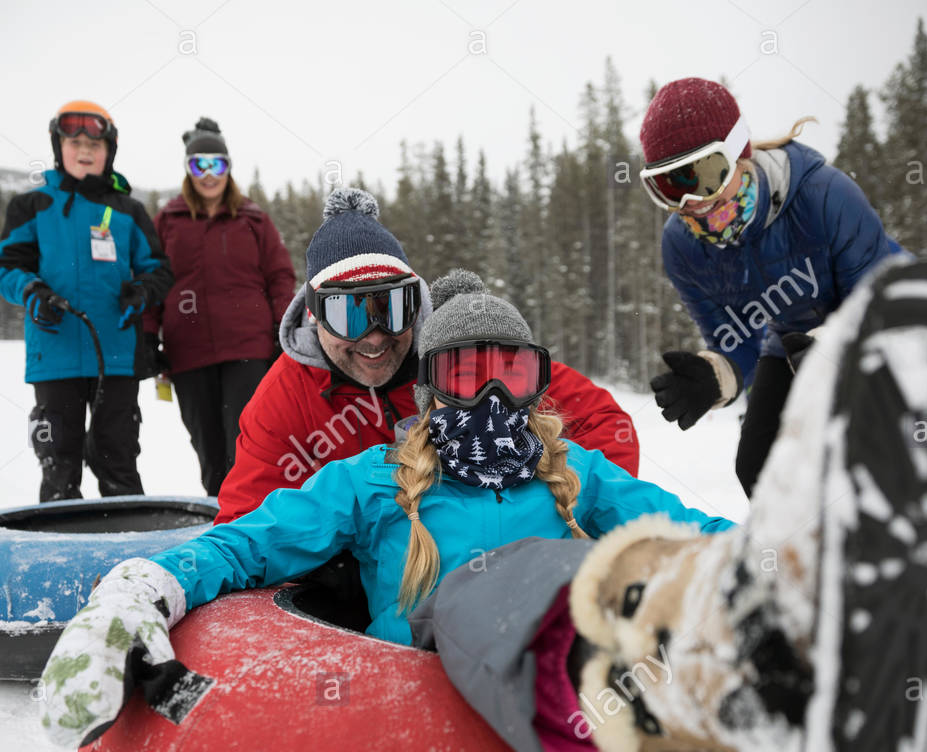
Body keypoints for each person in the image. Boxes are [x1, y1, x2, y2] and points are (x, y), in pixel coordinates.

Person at [38, 259, 927, 752]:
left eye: (510, 371)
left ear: (535, 380)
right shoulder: (379, 482)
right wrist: (143, 585)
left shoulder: (574, 472)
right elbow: (252, 537)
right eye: (465, 373)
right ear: (432, 388)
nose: (491, 396)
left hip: (641, 624)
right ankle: (610, 666)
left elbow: (679, 522)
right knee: (511, 579)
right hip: (473, 639)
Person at [212, 187, 639, 524]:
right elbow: (245, 522)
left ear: (417, 305)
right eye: (349, 316)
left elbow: (605, 425)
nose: (376, 339)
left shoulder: (463, 356)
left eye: (393, 309)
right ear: (313, 315)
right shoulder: (284, 401)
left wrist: (544, 514)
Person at [637, 78, 903, 499]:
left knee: (866, 456)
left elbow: (875, 299)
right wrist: (716, 375)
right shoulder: (682, 246)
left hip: (892, 319)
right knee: (759, 465)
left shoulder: (824, 196)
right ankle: (793, 559)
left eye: (705, 175)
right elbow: (735, 338)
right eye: (670, 186)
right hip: (792, 342)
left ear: (738, 150)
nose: (692, 201)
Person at [0, 100, 172, 501]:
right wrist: (32, 292)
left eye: (95, 143)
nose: (85, 150)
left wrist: (141, 292)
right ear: (59, 148)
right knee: (58, 465)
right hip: (54, 356)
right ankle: (59, 555)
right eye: (74, 142)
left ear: (109, 151)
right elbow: (5, 268)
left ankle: (130, 553)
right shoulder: (32, 206)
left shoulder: (128, 210)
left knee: (119, 460)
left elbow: (160, 271)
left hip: (117, 359)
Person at [144, 118, 296, 496]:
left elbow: (279, 277)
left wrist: (284, 329)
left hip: (248, 348)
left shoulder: (254, 219)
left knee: (247, 445)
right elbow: (150, 280)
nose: (209, 175)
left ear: (229, 168)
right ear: (187, 169)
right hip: (188, 353)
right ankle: (220, 524)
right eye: (199, 165)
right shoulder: (167, 221)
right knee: (209, 452)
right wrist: (147, 337)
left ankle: (252, 526)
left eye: (218, 165)